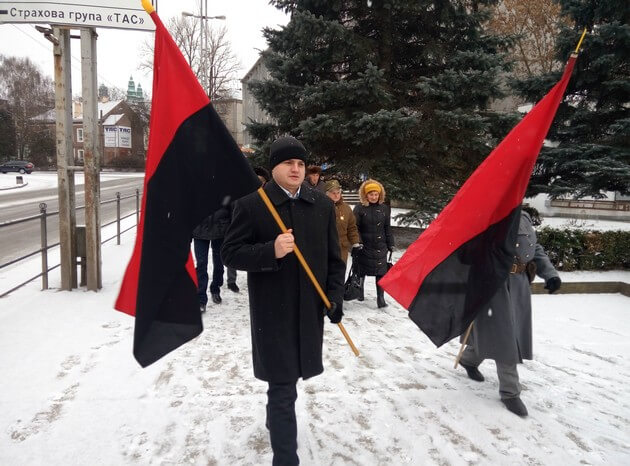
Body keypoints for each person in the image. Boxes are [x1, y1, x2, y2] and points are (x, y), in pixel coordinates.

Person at [221, 136, 345, 465]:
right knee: (282, 387)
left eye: (301, 163)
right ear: (274, 167)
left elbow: (335, 259)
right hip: (272, 315)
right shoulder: (252, 205)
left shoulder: (321, 205)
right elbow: (230, 253)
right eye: (288, 163)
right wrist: (270, 251)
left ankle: (275, 420)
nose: (296, 169)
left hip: (309, 313)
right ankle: (286, 458)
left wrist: (335, 297)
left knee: (288, 383)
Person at [459, 209, 562, 417]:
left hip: (519, 285)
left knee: (501, 332)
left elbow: (534, 248)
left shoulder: (523, 216)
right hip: (493, 284)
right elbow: (469, 251)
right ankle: (510, 392)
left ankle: (469, 360)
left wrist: (550, 274)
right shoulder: (490, 214)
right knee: (505, 336)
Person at [353, 179, 394, 308]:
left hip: (380, 245)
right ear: (366, 195)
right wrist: (358, 241)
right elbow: (355, 227)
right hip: (364, 245)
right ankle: (360, 291)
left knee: (381, 272)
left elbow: (387, 227)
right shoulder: (359, 208)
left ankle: (380, 298)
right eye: (371, 194)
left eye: (376, 194)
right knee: (362, 269)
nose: (374, 197)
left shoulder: (384, 209)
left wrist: (390, 243)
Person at [192, 206, 239, 312]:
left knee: (219, 263)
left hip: (220, 230)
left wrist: (230, 228)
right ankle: (201, 299)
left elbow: (232, 208)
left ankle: (215, 288)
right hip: (200, 230)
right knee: (201, 264)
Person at [324, 179, 360, 264]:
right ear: (326, 194)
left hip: (341, 250)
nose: (336, 195)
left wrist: (355, 243)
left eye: (338, 192)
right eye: (333, 193)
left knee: (340, 271)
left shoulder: (346, 208)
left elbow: (352, 227)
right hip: (325, 250)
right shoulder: (320, 207)